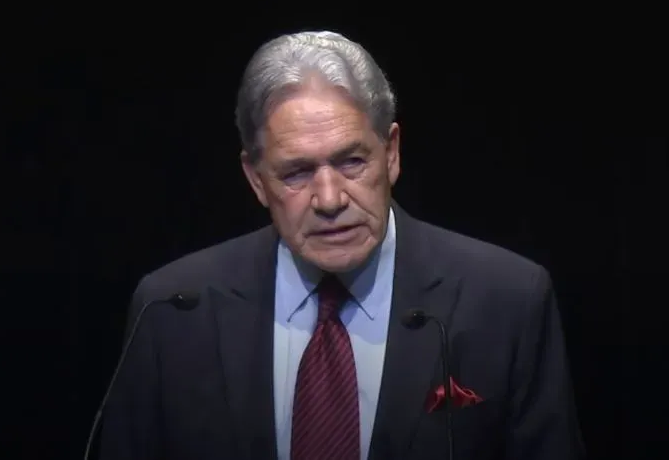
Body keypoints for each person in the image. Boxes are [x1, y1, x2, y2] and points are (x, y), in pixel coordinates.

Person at [98, 31, 585, 460]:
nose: (330, 199)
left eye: (352, 162)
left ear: (391, 153)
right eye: (297, 172)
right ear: (256, 179)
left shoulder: (507, 300)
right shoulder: (172, 310)